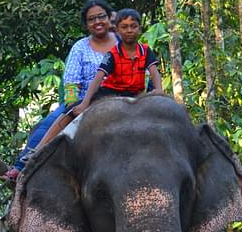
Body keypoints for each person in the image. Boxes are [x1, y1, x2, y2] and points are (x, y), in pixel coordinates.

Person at [0, 0, 119, 181]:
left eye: (101, 16)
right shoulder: (80, 47)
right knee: (50, 123)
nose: (97, 22)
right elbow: (71, 80)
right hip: (82, 100)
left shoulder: (123, 43)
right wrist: (73, 105)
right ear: (86, 24)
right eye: (91, 19)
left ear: (109, 18)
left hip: (121, 99)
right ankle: (20, 168)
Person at [32, 9, 163, 151]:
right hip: (110, 93)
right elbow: (98, 77)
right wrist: (84, 103)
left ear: (139, 29)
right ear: (118, 29)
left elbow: (154, 73)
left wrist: (159, 91)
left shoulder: (145, 50)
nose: (129, 30)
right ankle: (40, 149)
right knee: (69, 113)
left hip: (135, 95)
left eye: (133, 26)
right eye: (124, 27)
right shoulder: (112, 53)